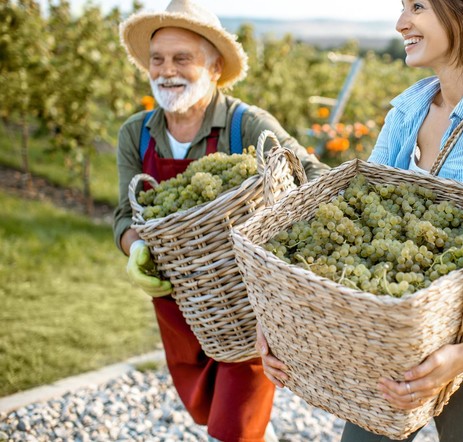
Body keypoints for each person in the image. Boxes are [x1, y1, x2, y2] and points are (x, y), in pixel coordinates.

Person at [257, 0, 463, 441]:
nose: (401, 23)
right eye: (402, 7)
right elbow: (356, 225)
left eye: (417, 6)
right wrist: (284, 324)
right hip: (393, 347)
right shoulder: (406, 110)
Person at [114, 1, 328, 441]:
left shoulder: (244, 125)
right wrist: (135, 247)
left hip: (246, 307)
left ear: (213, 68)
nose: (166, 70)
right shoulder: (136, 133)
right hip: (178, 306)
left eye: (182, 58)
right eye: (158, 59)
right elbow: (124, 212)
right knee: (209, 413)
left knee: (232, 429)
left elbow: (313, 175)